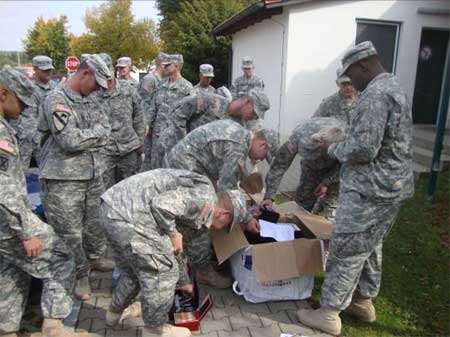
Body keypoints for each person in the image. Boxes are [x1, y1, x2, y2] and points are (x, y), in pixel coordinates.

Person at [297, 41, 414, 336]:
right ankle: (363, 302)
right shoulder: (394, 86)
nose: (349, 82)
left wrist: (332, 147)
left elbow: (364, 148)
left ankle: (329, 312)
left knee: (346, 248)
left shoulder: (375, 94)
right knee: (371, 245)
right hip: (391, 187)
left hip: (369, 189)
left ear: (364, 66)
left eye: (350, 74)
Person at [100, 169, 248, 337]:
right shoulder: (204, 201)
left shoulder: (201, 203)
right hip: (129, 217)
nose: (220, 230)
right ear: (225, 214)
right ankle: (155, 330)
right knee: (162, 273)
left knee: (132, 272)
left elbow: (178, 250)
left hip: (112, 209)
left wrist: (184, 281)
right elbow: (160, 205)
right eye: (226, 226)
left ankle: (113, 314)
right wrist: (172, 233)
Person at [0, 65, 89, 337]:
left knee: (12, 269)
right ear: (3, 94)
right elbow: (2, 187)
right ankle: (54, 326)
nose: (25, 110)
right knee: (61, 256)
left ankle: (8, 328)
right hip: (8, 224)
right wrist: (26, 231)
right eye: (22, 103)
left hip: (6, 223)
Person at [164, 120, 276, 287]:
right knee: (203, 218)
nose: (259, 160)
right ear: (262, 144)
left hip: (190, 164)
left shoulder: (241, 135)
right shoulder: (238, 148)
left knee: (203, 213)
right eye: (262, 157)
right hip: (185, 168)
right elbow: (227, 192)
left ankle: (189, 257)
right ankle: (202, 271)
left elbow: (228, 178)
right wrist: (246, 218)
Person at [38, 54, 113, 301]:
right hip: (63, 179)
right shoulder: (56, 100)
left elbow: (107, 126)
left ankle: (95, 259)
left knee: (94, 224)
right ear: (85, 74)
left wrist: (94, 134)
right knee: (70, 233)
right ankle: (80, 275)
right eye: (96, 84)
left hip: (92, 173)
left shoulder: (89, 99)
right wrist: (98, 135)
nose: (97, 91)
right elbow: (69, 141)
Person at [261, 117, 347, 220]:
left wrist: (327, 182)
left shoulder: (346, 140)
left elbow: (346, 165)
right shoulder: (298, 136)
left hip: (336, 171)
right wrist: (269, 196)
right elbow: (279, 165)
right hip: (310, 169)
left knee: (329, 210)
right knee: (302, 206)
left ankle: (324, 231)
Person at [97, 53, 145, 190]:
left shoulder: (128, 89)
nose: (107, 80)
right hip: (105, 152)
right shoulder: (94, 93)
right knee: (106, 191)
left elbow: (139, 117)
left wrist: (140, 142)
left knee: (129, 191)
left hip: (129, 150)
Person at [144, 54, 193, 170]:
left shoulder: (187, 88)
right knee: (155, 170)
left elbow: (191, 115)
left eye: (168, 65)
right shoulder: (161, 84)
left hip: (175, 139)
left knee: (172, 171)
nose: (164, 68)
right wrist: (147, 127)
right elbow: (153, 108)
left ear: (176, 66)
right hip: (157, 137)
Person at [10, 56, 57, 169]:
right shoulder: (30, 90)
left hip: (53, 141)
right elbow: (29, 122)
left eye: (49, 69)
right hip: (34, 142)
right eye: (44, 70)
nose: (48, 72)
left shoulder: (56, 87)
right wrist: (41, 144)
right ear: (35, 69)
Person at [139, 52, 170, 171]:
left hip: (157, 127)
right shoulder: (150, 80)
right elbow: (143, 104)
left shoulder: (162, 81)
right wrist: (148, 126)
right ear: (162, 65)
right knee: (149, 160)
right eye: (167, 65)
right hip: (149, 128)